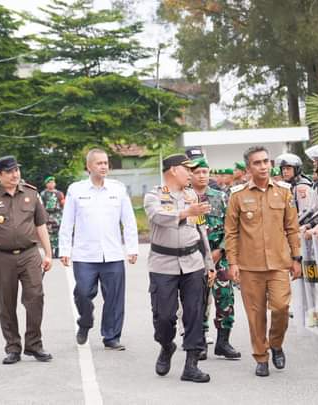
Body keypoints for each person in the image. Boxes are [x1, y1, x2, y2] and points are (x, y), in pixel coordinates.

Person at [224, 146, 302, 377]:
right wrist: (233, 263)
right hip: (250, 266)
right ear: (248, 168)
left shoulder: (284, 192)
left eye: (266, 161)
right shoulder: (237, 195)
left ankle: (276, 343)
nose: (264, 166)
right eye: (257, 163)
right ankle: (261, 356)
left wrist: (296, 258)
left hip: (279, 263)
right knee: (255, 315)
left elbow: (292, 227)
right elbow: (231, 232)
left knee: (281, 307)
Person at [143, 154, 215, 383]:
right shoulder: (154, 195)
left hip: (192, 262)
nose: (192, 174)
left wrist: (209, 263)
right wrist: (185, 213)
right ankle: (166, 346)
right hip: (163, 264)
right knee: (164, 316)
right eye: (188, 170)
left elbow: (200, 230)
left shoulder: (191, 194)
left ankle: (191, 365)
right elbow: (158, 217)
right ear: (173, 170)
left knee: (194, 313)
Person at [0, 156, 54, 365]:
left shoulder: (31, 193)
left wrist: (48, 253)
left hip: (29, 254)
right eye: (9, 172)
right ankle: (12, 347)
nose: (15, 175)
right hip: (1, 257)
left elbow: (40, 225)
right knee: (6, 303)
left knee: (36, 297)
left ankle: (34, 344)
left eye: (16, 170)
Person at [59, 149, 138, 350]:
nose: (104, 166)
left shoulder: (118, 189)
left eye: (106, 163)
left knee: (114, 298)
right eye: (99, 163)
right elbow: (67, 222)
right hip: (85, 254)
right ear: (89, 167)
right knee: (83, 293)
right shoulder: (76, 190)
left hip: (112, 254)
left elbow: (128, 220)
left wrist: (132, 247)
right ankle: (85, 321)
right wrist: (64, 250)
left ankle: (111, 336)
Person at [190, 157, 241, 360]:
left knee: (225, 297)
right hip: (196, 259)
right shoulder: (187, 199)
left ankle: (223, 342)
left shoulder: (220, 197)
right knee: (198, 300)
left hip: (220, 257)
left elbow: (232, 227)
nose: (202, 176)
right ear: (190, 176)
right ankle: (200, 342)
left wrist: (220, 250)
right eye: (197, 172)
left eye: (205, 172)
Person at [41, 176, 65, 258]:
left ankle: (58, 251)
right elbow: (41, 206)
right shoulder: (43, 194)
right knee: (49, 235)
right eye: (49, 182)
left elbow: (63, 204)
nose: (51, 184)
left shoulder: (59, 193)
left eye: (53, 182)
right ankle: (50, 252)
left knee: (59, 234)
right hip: (48, 216)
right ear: (46, 184)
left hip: (58, 216)